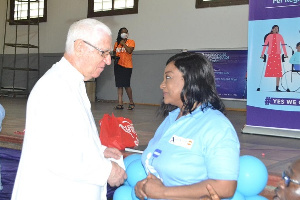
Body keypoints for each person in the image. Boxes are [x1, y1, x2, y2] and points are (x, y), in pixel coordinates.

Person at [11, 19, 127, 200]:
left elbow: (70, 135)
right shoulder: (55, 88)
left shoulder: (72, 82)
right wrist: (107, 170)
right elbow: (58, 155)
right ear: (80, 47)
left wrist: (99, 149)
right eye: (103, 52)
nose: (108, 61)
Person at [135, 52, 240, 200]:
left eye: (168, 77)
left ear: (191, 80)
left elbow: (225, 186)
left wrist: (163, 193)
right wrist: (144, 185)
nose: (162, 85)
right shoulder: (171, 119)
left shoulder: (217, 126)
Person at [113, 27, 135, 110]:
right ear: (120, 34)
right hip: (118, 65)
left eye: (126, 32)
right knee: (119, 85)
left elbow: (129, 51)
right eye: (123, 32)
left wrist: (124, 44)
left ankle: (131, 102)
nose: (125, 33)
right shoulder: (116, 43)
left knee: (126, 85)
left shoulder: (131, 42)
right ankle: (120, 103)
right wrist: (114, 56)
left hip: (127, 66)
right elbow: (114, 52)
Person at [260, 25, 288, 92]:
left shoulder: (280, 36)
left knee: (278, 71)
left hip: (277, 54)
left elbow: (283, 45)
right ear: (272, 29)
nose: (276, 30)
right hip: (271, 54)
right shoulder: (269, 36)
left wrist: (286, 53)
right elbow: (265, 45)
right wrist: (262, 54)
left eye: (277, 29)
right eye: (275, 29)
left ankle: (277, 87)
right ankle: (264, 86)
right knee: (269, 70)